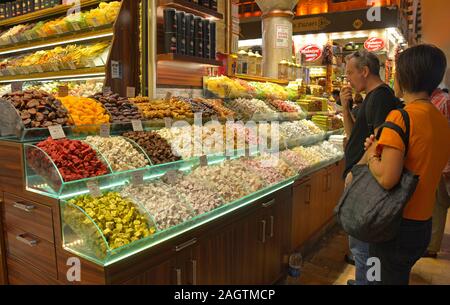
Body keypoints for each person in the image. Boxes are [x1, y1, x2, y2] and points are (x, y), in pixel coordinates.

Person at [361, 44, 450, 285]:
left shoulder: (401, 116)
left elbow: (388, 177)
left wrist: (371, 156)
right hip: (422, 223)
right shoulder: (441, 121)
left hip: (394, 225)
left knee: (377, 278)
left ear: (403, 76)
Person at [340, 50, 400, 285]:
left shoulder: (380, 97)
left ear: (364, 71)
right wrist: (345, 107)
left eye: (350, 73)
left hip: (366, 182)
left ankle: (365, 282)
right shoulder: (370, 98)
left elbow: (380, 144)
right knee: (359, 243)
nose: (348, 79)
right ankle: (363, 280)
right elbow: (354, 134)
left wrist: (356, 171)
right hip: (363, 179)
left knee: (364, 245)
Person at [424, 87, 450, 258]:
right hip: (437, 163)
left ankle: (432, 247)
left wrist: (446, 167)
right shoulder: (436, 101)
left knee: (439, 205)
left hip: (443, 165)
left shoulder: (443, 101)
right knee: (435, 205)